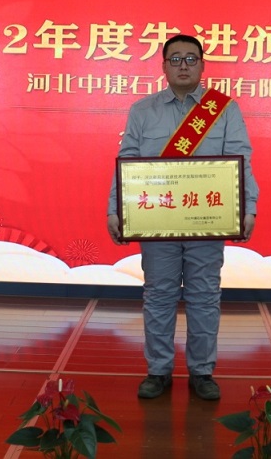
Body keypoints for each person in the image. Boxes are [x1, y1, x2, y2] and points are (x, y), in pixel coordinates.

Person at [107, 34, 258, 401]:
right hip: (157, 221)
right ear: (163, 66)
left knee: (204, 296)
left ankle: (202, 371)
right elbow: (127, 162)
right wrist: (116, 208)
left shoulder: (224, 109)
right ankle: (158, 370)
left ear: (203, 65)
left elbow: (241, 159)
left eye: (191, 58)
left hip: (208, 221)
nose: (183, 65)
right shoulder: (143, 110)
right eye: (175, 59)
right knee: (158, 295)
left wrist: (248, 207)